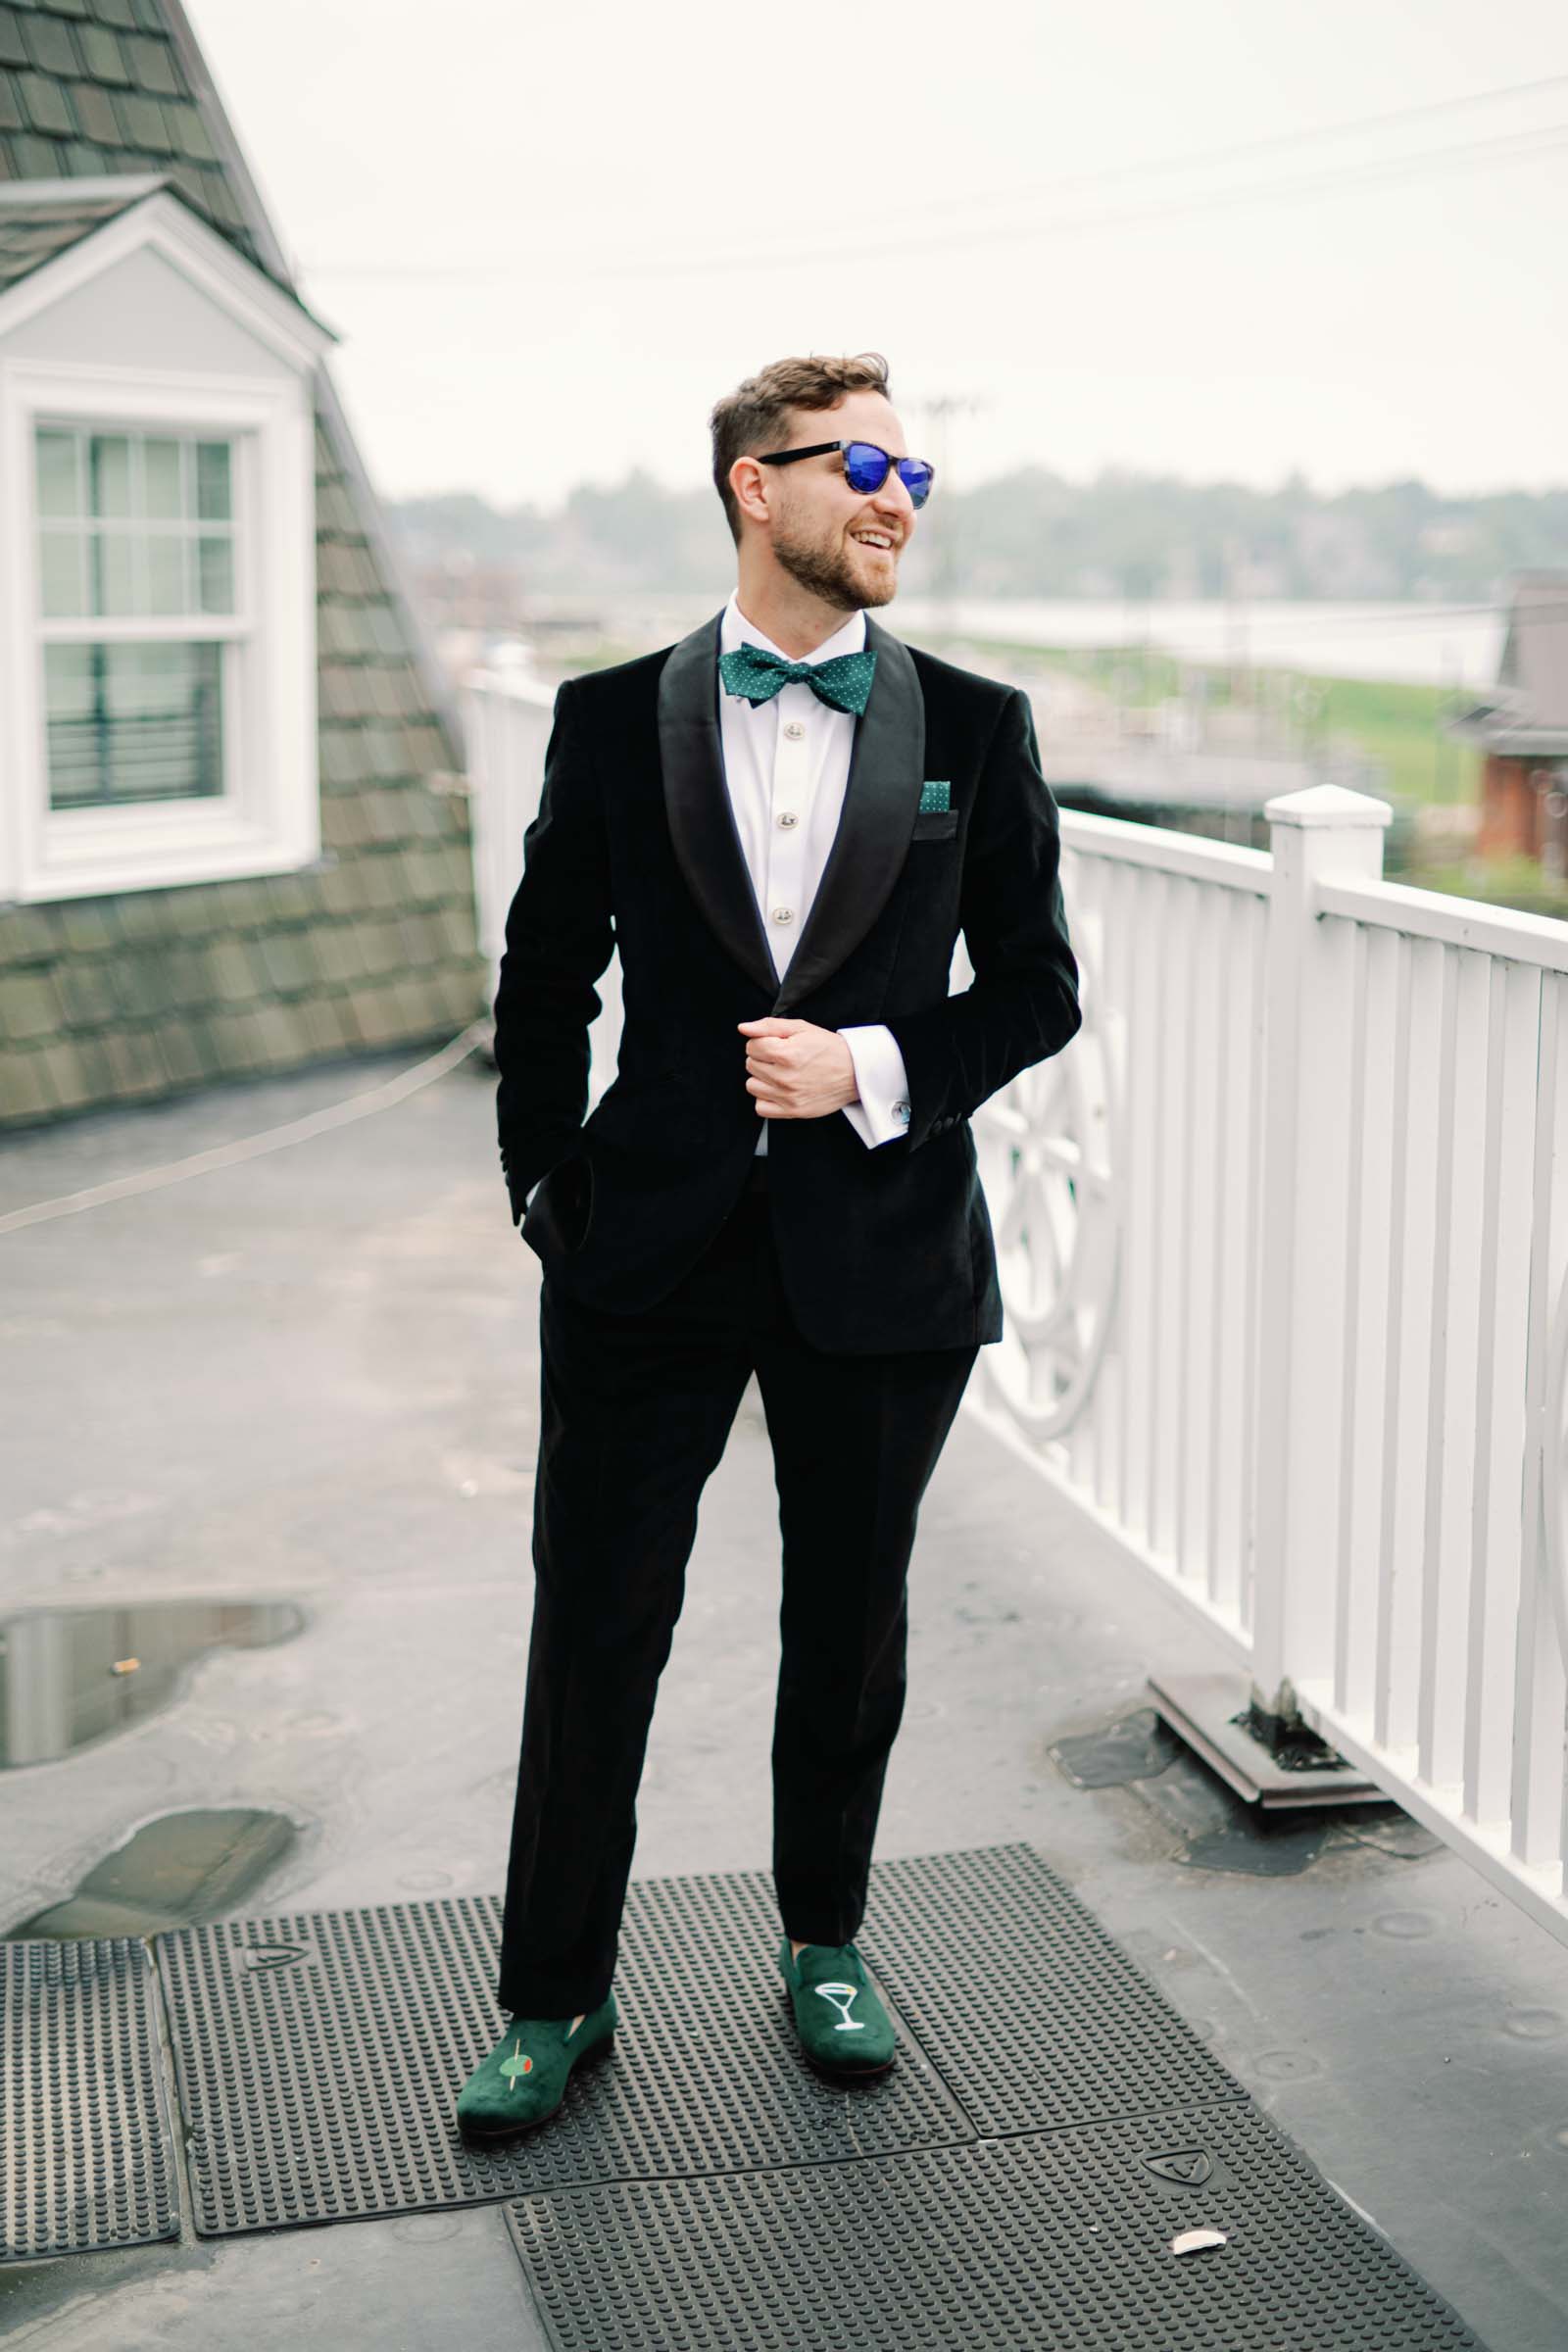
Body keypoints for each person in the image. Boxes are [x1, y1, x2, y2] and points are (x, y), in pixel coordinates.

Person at [456, 351, 1081, 2140]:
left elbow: (1037, 993)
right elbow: (543, 975)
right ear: (756, 484)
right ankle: (551, 1996)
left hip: (881, 1255)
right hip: (641, 1249)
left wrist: (875, 1065)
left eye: (917, 475)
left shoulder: (973, 726)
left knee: (849, 1622)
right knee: (595, 1623)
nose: (897, 498)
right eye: (863, 464)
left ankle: (826, 1940)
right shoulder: (605, 717)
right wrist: (538, 1190)